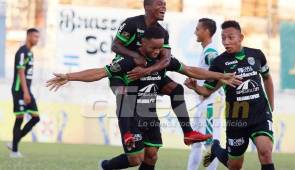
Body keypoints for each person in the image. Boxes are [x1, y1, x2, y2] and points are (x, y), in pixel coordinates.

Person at [46, 26, 241, 170]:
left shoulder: (164, 60)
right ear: (143, 44)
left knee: (152, 156)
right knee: (135, 159)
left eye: (161, 48)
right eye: (154, 48)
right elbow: (99, 72)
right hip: (131, 113)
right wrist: (69, 76)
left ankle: (188, 132)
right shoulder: (129, 62)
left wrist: (220, 76)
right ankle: (105, 166)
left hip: (149, 112)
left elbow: (190, 70)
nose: (158, 52)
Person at [112, 0, 211, 145]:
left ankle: (188, 133)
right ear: (147, 6)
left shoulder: (162, 32)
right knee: (124, 94)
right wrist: (135, 57)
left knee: (176, 89)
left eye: (165, 4)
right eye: (160, 3)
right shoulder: (132, 23)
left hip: (145, 73)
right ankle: (127, 134)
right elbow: (115, 45)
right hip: (126, 73)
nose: (164, 6)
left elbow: (166, 60)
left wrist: (146, 70)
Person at [185, 20, 275, 170]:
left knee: (265, 153)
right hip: (236, 118)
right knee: (235, 165)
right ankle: (216, 148)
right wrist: (195, 87)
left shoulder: (256, 55)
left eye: (230, 37)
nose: (226, 42)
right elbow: (207, 91)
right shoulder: (219, 63)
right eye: (223, 38)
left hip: (260, 114)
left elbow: (267, 78)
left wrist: (271, 106)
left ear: (241, 37)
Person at [187, 18, 225, 170]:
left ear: (206, 31)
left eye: (197, 29)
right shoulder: (206, 51)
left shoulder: (211, 52)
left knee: (210, 142)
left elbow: (221, 73)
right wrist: (196, 86)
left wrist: (207, 91)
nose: (195, 32)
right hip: (204, 101)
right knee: (195, 142)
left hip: (212, 101)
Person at [8, 28, 41, 158]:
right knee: (19, 118)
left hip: (27, 90)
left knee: (35, 117)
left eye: (38, 37)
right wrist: (26, 93)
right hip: (19, 90)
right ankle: (14, 151)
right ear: (28, 36)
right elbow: (21, 72)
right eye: (35, 36)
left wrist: (28, 91)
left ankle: (14, 142)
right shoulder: (22, 51)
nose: (37, 39)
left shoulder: (30, 53)